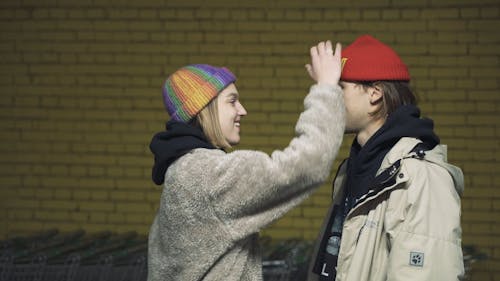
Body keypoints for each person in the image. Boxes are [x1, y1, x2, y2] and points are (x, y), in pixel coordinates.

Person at [147, 40, 346, 281]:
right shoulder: (207, 174)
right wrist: (326, 88)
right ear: (203, 111)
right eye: (232, 101)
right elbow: (308, 163)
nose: (242, 110)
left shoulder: (180, 170)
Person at [308, 35, 465, 281]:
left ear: (375, 95)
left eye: (339, 88)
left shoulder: (419, 176)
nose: (328, 97)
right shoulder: (353, 168)